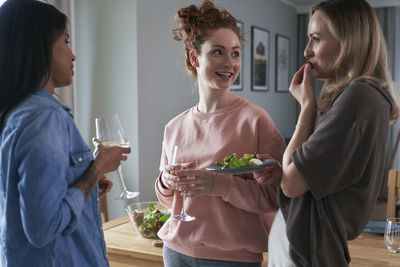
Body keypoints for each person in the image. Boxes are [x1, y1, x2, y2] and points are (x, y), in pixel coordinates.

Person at [268, 0, 400, 266]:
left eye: (315, 39)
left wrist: (306, 108)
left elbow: (291, 183)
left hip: (306, 253)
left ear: (348, 42)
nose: (306, 51)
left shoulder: (358, 98)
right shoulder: (362, 99)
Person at [154, 1, 286, 266]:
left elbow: (276, 197)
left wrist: (221, 185)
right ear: (195, 58)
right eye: (218, 52)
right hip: (175, 252)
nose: (230, 63)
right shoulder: (174, 127)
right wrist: (166, 182)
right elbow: (168, 202)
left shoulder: (256, 121)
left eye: (235, 53)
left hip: (233, 260)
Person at [0, 1, 130, 266]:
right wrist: (96, 168)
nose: (73, 55)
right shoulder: (44, 118)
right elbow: (43, 228)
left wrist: (87, 181)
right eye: (66, 41)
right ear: (38, 48)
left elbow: (30, 205)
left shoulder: (16, 113)